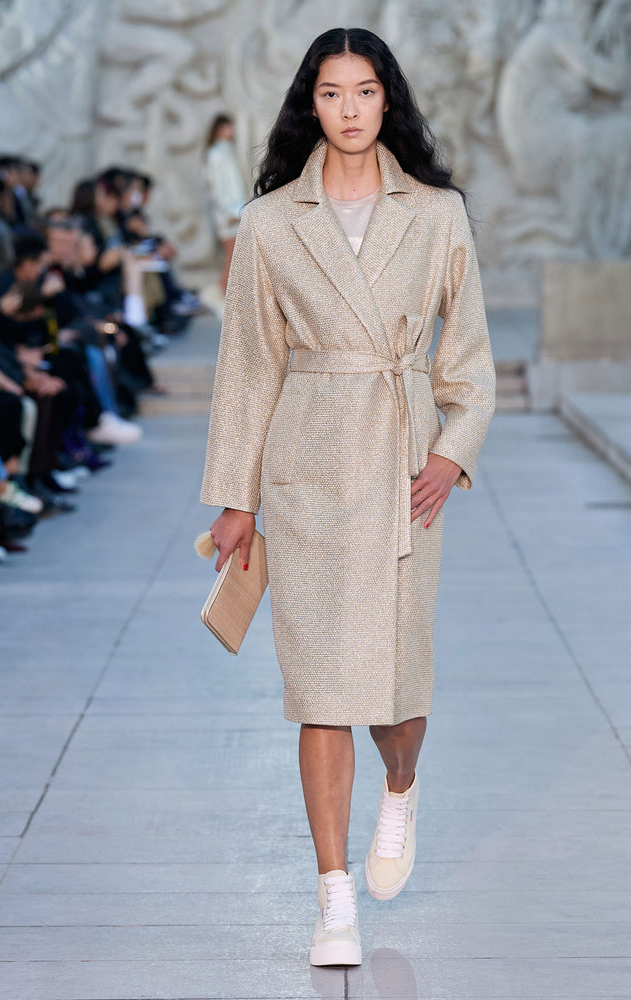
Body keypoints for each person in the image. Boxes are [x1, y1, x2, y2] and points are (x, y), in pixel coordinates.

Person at [201, 27, 495, 967]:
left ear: (387, 98)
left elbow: (469, 357)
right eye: (332, 93)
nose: (350, 109)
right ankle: (333, 897)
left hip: (404, 472)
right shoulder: (269, 223)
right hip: (310, 471)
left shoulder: (437, 214)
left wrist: (450, 453)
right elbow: (248, 365)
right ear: (311, 105)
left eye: (365, 90)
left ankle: (400, 786)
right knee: (320, 691)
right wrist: (236, 497)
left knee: (396, 694)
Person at [203, 113, 247, 298]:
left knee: (236, 256)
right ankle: (224, 295)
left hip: (237, 209)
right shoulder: (216, 154)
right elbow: (217, 188)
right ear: (219, 129)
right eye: (227, 126)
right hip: (229, 213)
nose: (231, 130)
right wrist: (231, 211)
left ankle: (229, 295)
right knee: (231, 256)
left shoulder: (228, 151)